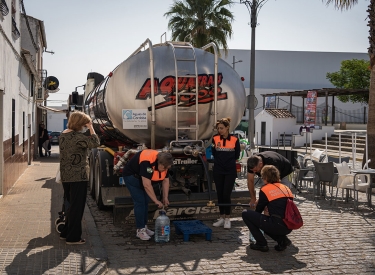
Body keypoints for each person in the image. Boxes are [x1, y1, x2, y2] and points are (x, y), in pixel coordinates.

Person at [59, 111, 100, 245]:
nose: (85, 126)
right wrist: (91, 127)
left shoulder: (64, 134)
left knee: (71, 205)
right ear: (79, 123)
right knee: (77, 207)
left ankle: (65, 232)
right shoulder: (77, 137)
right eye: (84, 124)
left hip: (66, 175)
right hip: (78, 176)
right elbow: (95, 142)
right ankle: (73, 238)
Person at [122, 150, 174, 241]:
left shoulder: (165, 163)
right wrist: (156, 201)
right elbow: (147, 185)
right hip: (132, 177)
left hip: (142, 178)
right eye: (164, 168)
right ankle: (140, 230)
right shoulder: (147, 163)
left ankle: (144, 227)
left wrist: (165, 197)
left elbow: (166, 181)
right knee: (140, 201)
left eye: (167, 168)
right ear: (159, 163)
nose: (165, 170)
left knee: (146, 201)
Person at [242, 165, 293, 252]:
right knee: (267, 220)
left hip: (276, 224)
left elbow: (258, 211)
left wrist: (257, 205)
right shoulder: (286, 188)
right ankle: (282, 240)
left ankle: (261, 243)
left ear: (265, 178)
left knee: (246, 214)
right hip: (288, 224)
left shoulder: (265, 189)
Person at [211, 117, 240, 229]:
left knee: (226, 194)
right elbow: (214, 152)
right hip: (218, 170)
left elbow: (236, 155)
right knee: (219, 194)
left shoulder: (235, 139)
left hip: (230, 170)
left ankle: (228, 218)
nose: (220, 130)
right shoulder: (215, 138)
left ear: (228, 128)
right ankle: (221, 217)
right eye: (218, 128)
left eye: (222, 128)